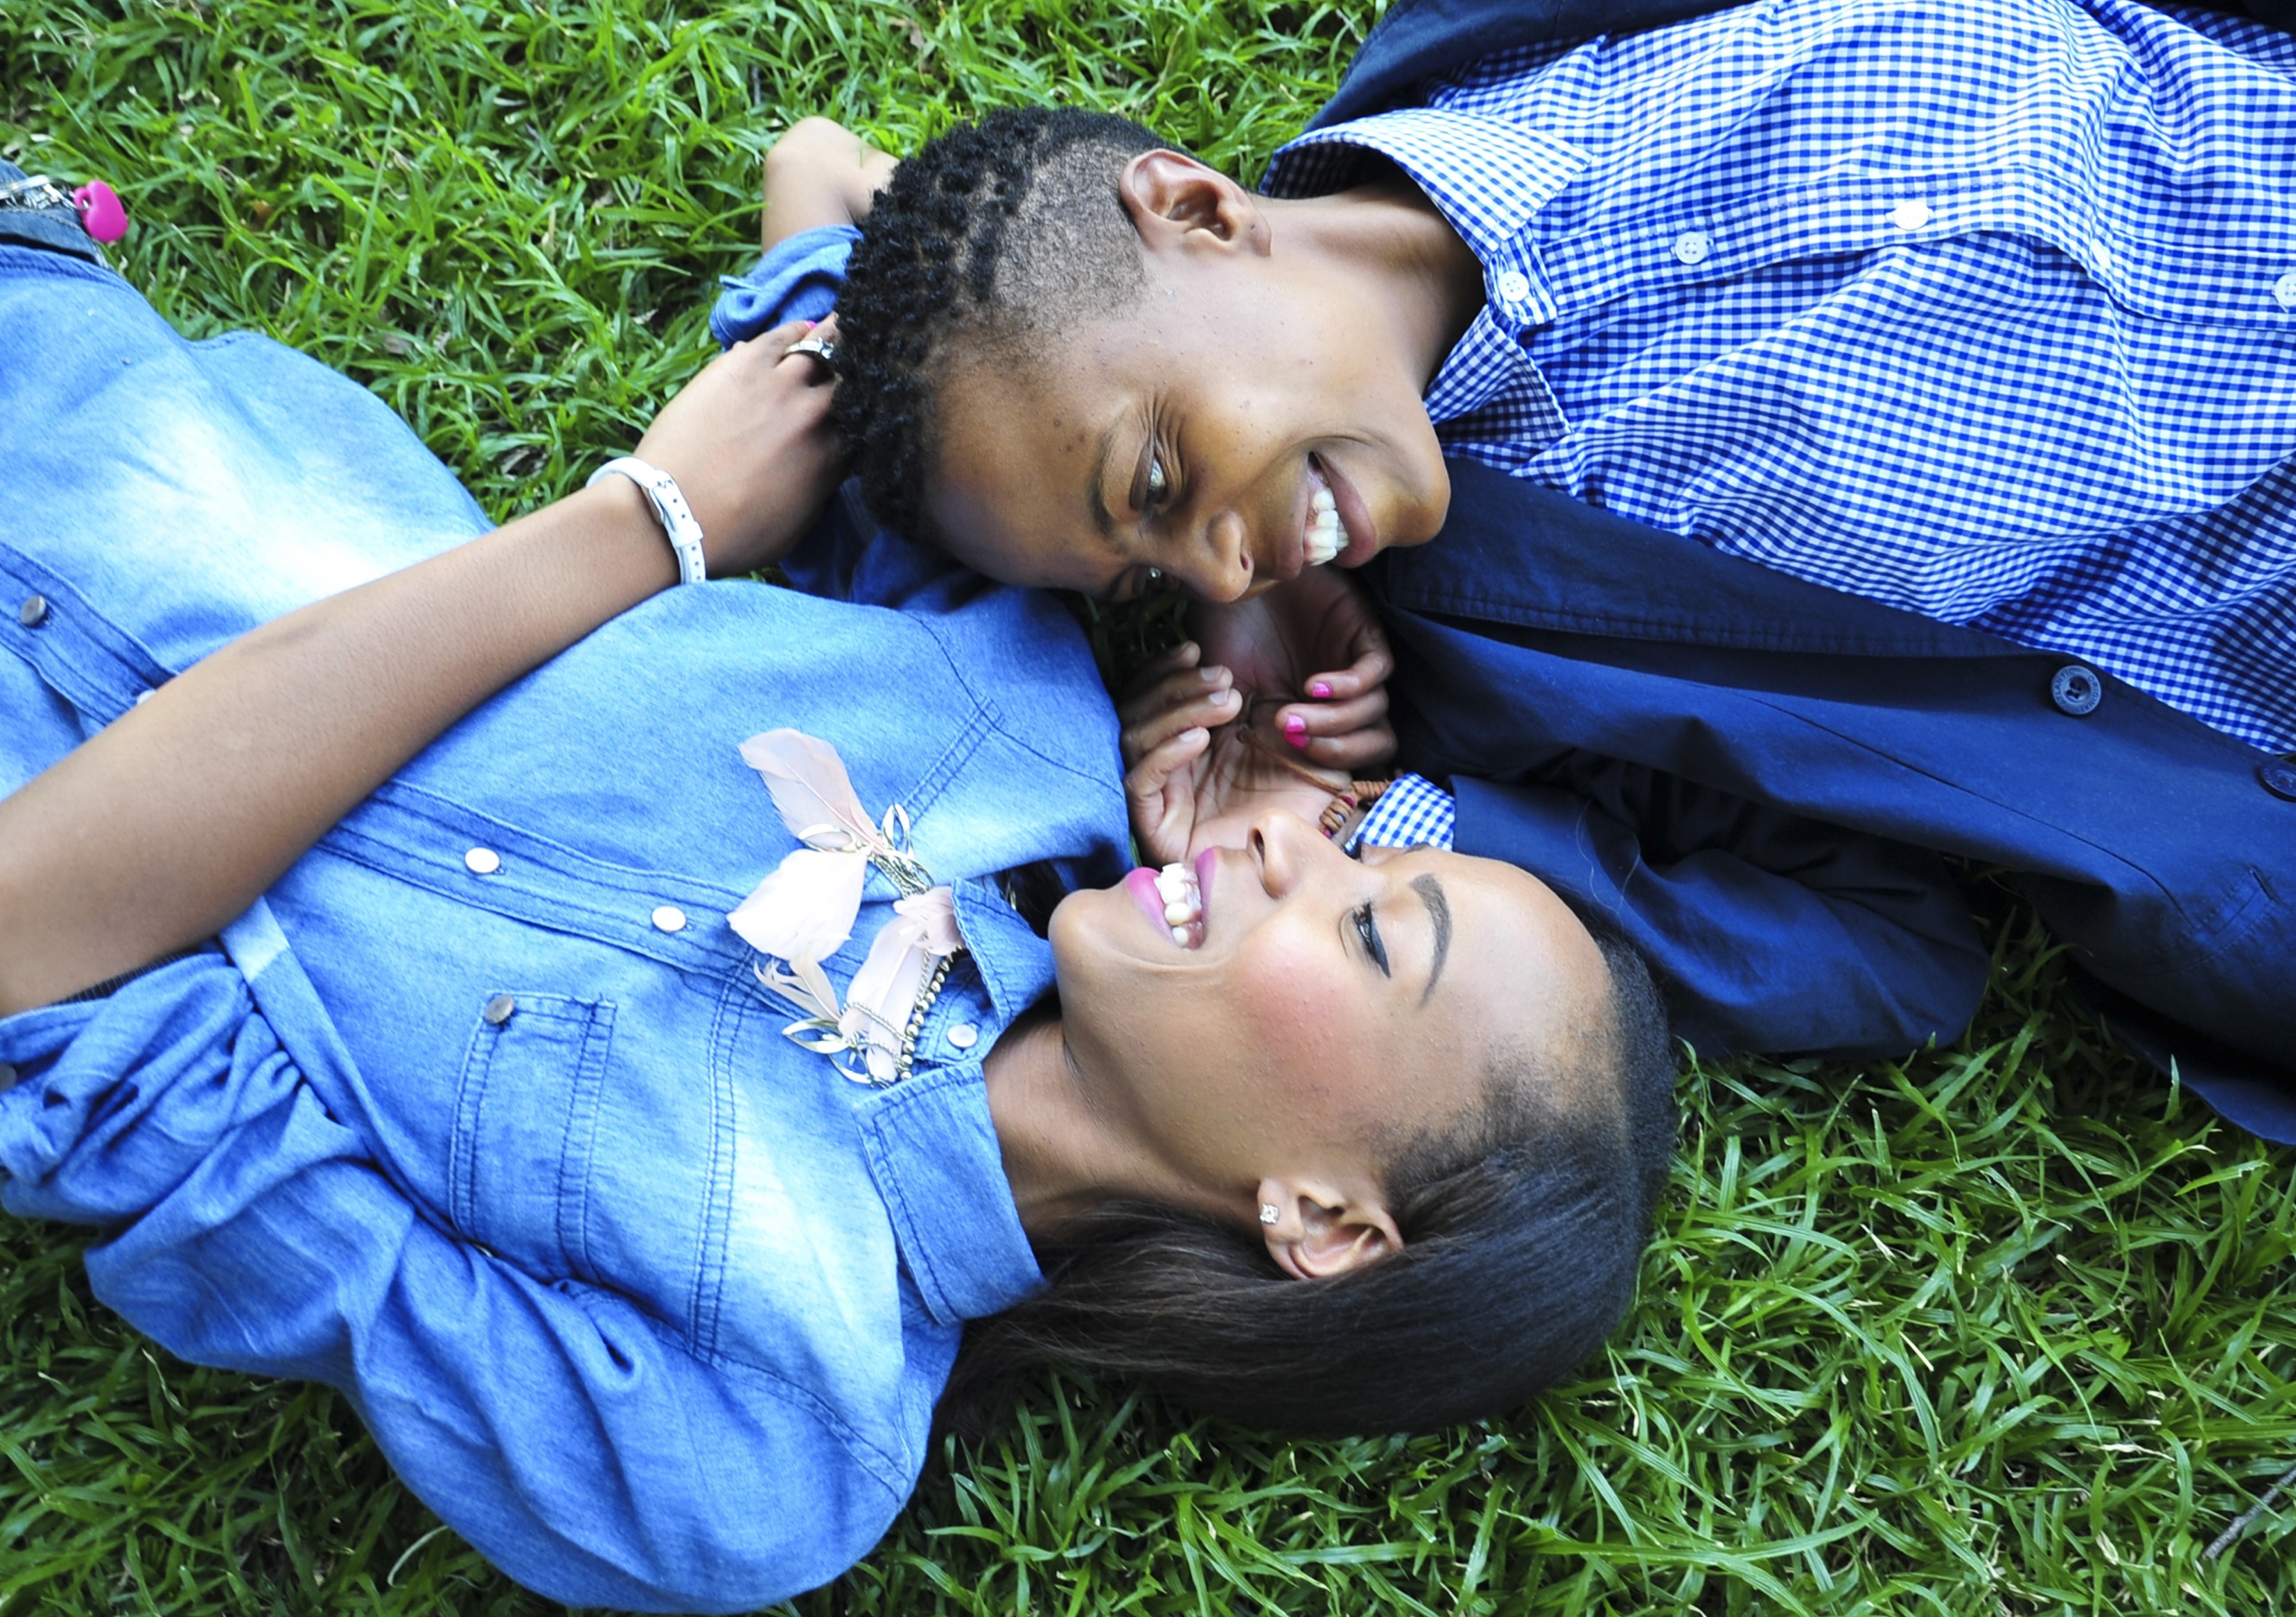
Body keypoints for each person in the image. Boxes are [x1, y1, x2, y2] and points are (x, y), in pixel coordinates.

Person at [0, 195, 1675, 1611]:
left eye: (1375, 931)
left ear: (1322, 1221)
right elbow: (878, 230)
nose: (1301, 852)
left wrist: (643, 528)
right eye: (1364, 850)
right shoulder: (1010, 721)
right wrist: (1253, 576)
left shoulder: (754, 1446)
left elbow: (55, 1011)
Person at [731, 0, 2296, 1147]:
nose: (1213, 549)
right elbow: (1878, 954)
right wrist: (1361, 806)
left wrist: (824, 259)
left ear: (1186, 208)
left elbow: (818, 160)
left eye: (1165, 476)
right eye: (1146, 559)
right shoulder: (1481, 673)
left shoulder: (1516, 38)